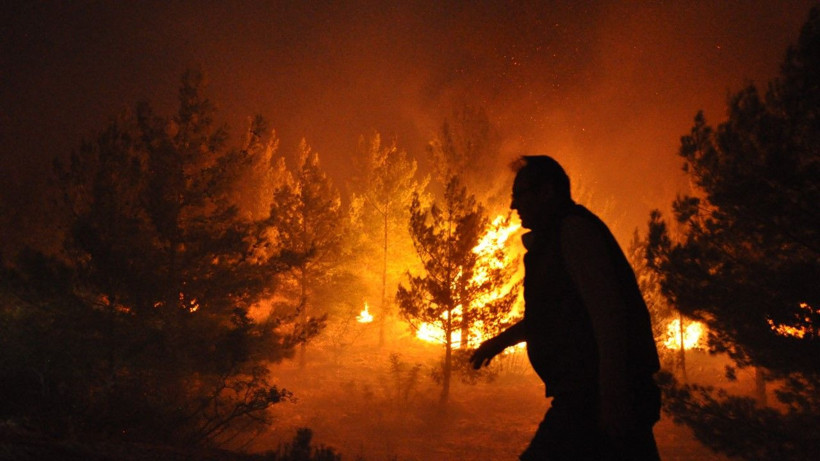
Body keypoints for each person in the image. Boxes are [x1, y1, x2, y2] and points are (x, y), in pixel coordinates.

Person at [470, 155, 661, 460]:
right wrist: (500, 341)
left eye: (520, 195)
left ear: (547, 192)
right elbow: (552, 318)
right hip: (590, 392)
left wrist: (612, 394)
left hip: (593, 395)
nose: (513, 206)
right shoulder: (555, 238)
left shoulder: (574, 232)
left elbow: (608, 316)